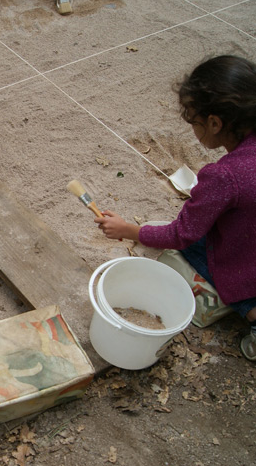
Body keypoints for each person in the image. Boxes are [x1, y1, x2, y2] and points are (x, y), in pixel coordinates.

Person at [94, 55, 256, 361]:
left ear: (214, 122)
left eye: (194, 122)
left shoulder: (224, 176)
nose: (194, 130)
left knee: (189, 249)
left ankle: (251, 313)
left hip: (245, 257)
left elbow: (181, 233)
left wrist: (128, 231)